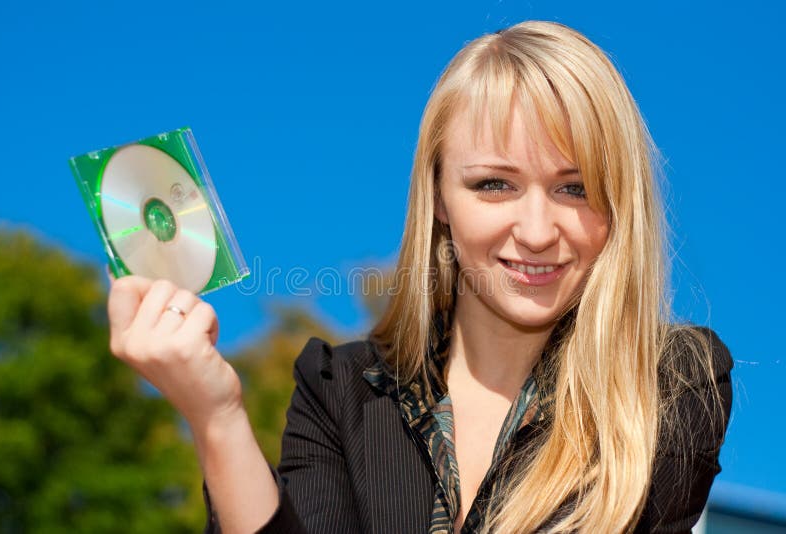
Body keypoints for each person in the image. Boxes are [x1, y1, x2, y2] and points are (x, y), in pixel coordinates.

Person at [107, 20, 733, 533]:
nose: (539, 230)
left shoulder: (670, 383)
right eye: (495, 184)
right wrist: (216, 414)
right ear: (437, 196)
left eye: (576, 188)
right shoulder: (338, 387)